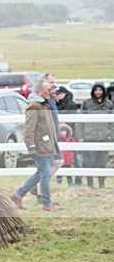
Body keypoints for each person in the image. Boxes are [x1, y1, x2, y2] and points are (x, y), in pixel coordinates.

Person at [10, 78, 60, 211]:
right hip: (41, 146)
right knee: (45, 174)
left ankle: (19, 194)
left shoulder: (44, 103)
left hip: (47, 145)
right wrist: (31, 146)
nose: (50, 92)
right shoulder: (35, 106)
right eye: (48, 90)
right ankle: (47, 202)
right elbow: (28, 128)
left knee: (41, 173)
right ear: (39, 91)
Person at [76, 82, 114, 188]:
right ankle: (90, 184)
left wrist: (111, 134)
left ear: (103, 91)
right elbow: (79, 120)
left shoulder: (109, 104)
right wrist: (80, 136)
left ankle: (102, 184)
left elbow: (112, 122)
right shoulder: (86, 103)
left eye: (100, 90)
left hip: (104, 137)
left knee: (103, 163)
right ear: (93, 91)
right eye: (96, 90)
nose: (98, 92)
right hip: (89, 137)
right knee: (90, 163)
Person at [54, 86, 81, 187]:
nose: (56, 96)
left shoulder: (70, 104)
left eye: (58, 94)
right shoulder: (58, 104)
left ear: (63, 94)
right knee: (62, 158)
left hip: (69, 134)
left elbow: (72, 121)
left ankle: (77, 179)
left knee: (74, 158)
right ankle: (62, 181)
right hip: (60, 134)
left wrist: (65, 130)